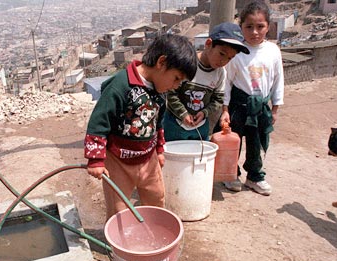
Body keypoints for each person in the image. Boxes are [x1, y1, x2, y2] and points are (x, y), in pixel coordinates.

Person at [84, 33, 197, 220]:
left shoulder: (160, 91)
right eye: (176, 78)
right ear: (161, 62)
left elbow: (158, 123)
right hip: (119, 161)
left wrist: (159, 150)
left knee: (156, 198)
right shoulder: (121, 85)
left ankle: (152, 234)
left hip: (148, 158)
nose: (176, 86)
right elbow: (99, 121)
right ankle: (120, 246)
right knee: (119, 209)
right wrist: (95, 160)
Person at [219, 0, 284, 196]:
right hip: (239, 104)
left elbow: (278, 80)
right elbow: (227, 82)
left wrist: (275, 109)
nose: (254, 32)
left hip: (261, 105)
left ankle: (255, 177)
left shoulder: (273, 51)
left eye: (260, 26)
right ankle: (230, 175)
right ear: (241, 27)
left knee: (256, 143)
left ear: (268, 27)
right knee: (233, 142)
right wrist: (225, 109)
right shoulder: (236, 53)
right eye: (249, 27)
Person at [163, 22, 249, 142]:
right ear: (208, 44)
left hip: (200, 126)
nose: (223, 61)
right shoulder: (187, 65)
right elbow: (171, 93)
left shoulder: (220, 73)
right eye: (221, 54)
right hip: (175, 125)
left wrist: (204, 113)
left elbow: (218, 100)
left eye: (230, 58)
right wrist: (182, 114)